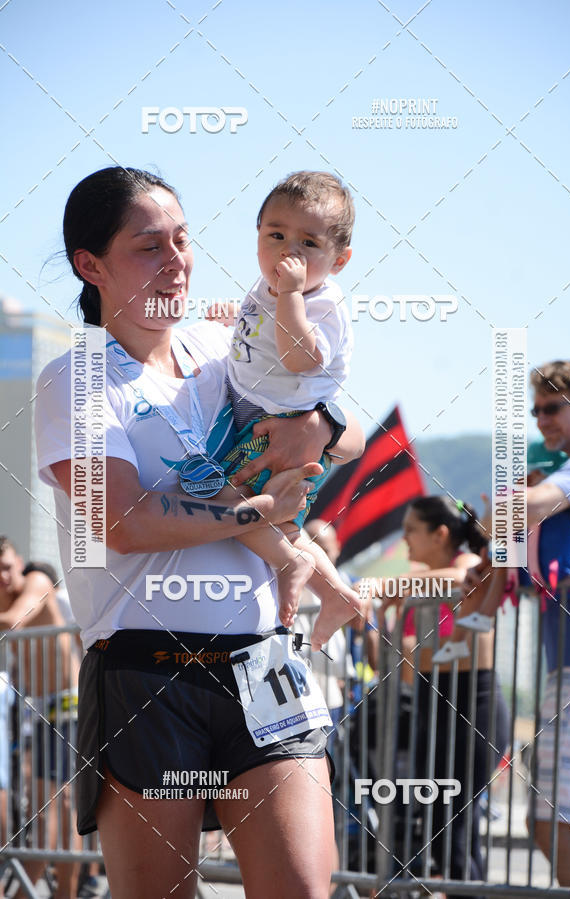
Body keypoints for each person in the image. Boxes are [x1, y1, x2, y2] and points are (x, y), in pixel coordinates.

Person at [34, 166, 366, 899]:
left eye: (182, 239)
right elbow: (121, 522)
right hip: (145, 672)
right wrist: (256, 514)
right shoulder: (76, 378)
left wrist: (319, 423)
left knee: (305, 891)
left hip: (265, 663)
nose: (177, 259)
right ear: (92, 265)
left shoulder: (225, 346)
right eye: (149, 245)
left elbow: (352, 436)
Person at [461, 360, 570, 887]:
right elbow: (510, 538)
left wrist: (510, 508)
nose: (541, 419)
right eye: (536, 409)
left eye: (553, 408)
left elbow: (519, 510)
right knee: (565, 823)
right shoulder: (568, 472)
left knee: (551, 824)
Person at [213, 171, 362, 649]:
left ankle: (291, 564)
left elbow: (300, 357)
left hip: (276, 424)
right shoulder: (267, 286)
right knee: (279, 524)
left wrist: (291, 295)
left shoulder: (321, 303)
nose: (288, 253)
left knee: (228, 506)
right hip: (254, 409)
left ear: (338, 261)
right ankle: (336, 594)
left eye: (308, 243)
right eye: (275, 235)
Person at [373, 497, 509, 898]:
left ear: (441, 534)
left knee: (458, 827)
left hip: (473, 701)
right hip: (431, 699)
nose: (405, 539)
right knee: (434, 820)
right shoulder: (421, 586)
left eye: (411, 529)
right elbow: (409, 657)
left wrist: (387, 588)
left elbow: (458, 577)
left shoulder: (467, 568)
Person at [0, 540, 81, 899]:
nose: (3, 577)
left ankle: (60, 893)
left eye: (5, 566)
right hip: (39, 713)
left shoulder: (35, 581)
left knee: (59, 810)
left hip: (68, 706)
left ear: (19, 561)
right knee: (50, 813)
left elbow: (13, 621)